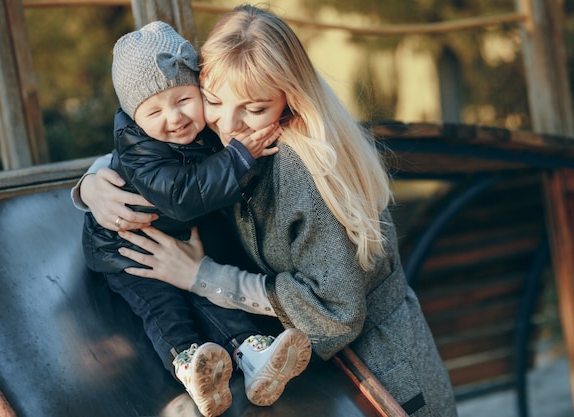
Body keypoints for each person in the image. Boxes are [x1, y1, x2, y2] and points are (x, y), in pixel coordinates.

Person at [75, 4, 458, 416]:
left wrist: (201, 277)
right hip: (326, 384)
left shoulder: (302, 171)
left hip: (382, 383)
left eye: (254, 109)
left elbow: (337, 310)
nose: (228, 126)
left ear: (289, 103)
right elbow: (152, 154)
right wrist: (92, 185)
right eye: (212, 100)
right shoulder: (221, 136)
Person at [81, 20, 311, 417]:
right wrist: (239, 157)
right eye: (154, 110)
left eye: (184, 99)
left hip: (181, 240)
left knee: (210, 291)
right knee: (164, 307)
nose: (174, 118)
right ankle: (191, 368)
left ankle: (256, 357)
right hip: (129, 252)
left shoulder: (203, 130)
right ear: (134, 118)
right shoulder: (140, 149)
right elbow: (183, 196)